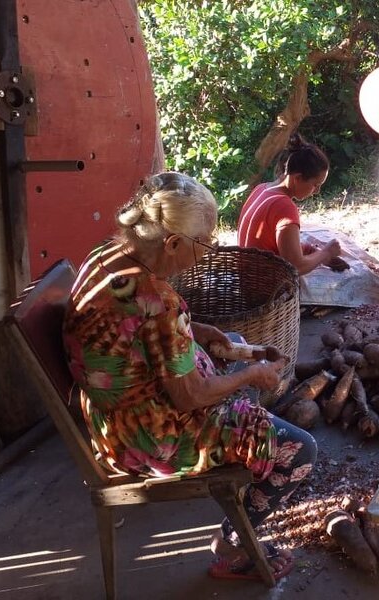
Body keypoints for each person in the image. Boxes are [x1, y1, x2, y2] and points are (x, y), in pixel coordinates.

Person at [63, 172, 316, 581]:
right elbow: (189, 396)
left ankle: (244, 440)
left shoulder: (106, 256)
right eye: (205, 242)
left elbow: (134, 328)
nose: (209, 249)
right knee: (299, 451)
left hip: (113, 415)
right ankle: (235, 545)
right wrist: (251, 374)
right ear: (174, 244)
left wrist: (197, 331)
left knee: (230, 342)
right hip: (148, 437)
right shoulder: (160, 300)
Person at [238, 133, 342, 275]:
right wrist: (326, 253)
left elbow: (271, 243)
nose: (317, 191)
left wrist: (310, 251)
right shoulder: (284, 207)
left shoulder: (261, 188)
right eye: (315, 185)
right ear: (297, 178)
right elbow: (296, 267)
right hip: (262, 287)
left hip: (247, 277)